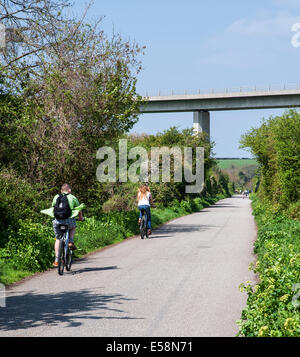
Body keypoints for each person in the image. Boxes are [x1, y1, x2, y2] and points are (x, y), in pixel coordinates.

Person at [52, 184, 84, 267]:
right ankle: (70, 241)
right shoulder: (73, 197)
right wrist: (80, 218)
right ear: (69, 190)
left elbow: (53, 208)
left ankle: (56, 260)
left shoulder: (56, 197)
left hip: (57, 222)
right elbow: (79, 209)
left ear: (61, 190)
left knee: (58, 239)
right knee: (73, 227)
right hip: (69, 221)